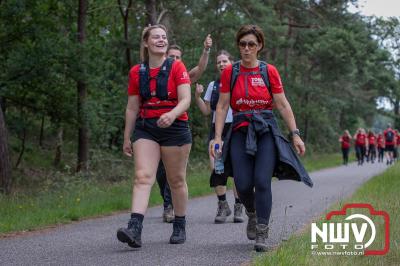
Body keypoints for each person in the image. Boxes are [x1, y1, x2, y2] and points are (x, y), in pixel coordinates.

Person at [211, 25, 313, 252]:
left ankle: (263, 232)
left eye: (251, 44)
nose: (246, 49)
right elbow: (222, 105)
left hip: (265, 130)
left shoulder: (269, 71)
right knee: (243, 183)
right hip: (239, 129)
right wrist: (217, 137)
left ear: (259, 47)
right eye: (242, 44)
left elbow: (283, 104)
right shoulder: (231, 72)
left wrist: (295, 134)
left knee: (262, 180)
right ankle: (252, 213)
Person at [117, 24, 192, 248]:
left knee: (176, 180)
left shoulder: (177, 67)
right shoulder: (136, 72)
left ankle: (179, 224)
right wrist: (127, 137)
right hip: (146, 127)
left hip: (175, 127)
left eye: (164, 37)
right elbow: (132, 107)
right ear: (146, 43)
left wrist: (172, 114)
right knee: (142, 176)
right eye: (156, 37)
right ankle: (135, 229)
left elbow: (186, 99)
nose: (161, 40)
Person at [157, 35, 213, 223]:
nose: (173, 60)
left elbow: (201, 68)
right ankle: (168, 203)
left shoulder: (183, 76)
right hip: (154, 128)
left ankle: (170, 207)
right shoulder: (154, 73)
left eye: (177, 57)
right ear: (165, 56)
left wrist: (205, 50)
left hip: (177, 129)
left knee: (173, 172)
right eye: (171, 56)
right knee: (160, 173)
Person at [194, 50, 244, 223]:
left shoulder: (240, 82)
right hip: (218, 131)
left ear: (232, 62)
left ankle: (239, 206)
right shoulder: (213, 86)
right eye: (218, 62)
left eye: (224, 61)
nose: (221, 64)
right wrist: (198, 97)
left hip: (237, 128)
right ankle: (223, 206)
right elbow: (207, 111)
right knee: (218, 168)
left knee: (238, 170)